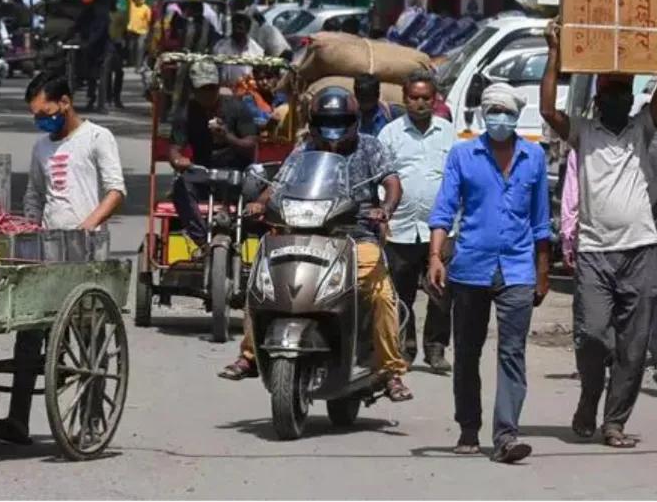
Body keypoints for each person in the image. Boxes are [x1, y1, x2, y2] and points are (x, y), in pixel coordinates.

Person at [539, 0, 657, 449]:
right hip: (596, 252)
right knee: (593, 337)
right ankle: (589, 396)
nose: (617, 99)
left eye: (623, 91)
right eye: (609, 91)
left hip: (640, 248)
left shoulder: (642, 129)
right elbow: (547, 110)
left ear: (629, 97)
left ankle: (615, 421)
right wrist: (554, 51)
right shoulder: (584, 131)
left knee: (633, 344)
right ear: (599, 97)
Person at [219, 87, 413, 402]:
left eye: (340, 121)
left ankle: (391, 370)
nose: (332, 129)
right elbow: (279, 183)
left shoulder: (371, 148)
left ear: (353, 121)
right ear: (313, 123)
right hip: (304, 230)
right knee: (261, 284)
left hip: (355, 234)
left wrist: (385, 208)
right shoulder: (303, 150)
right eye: (325, 122)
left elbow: (391, 182)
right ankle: (250, 355)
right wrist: (260, 202)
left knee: (379, 291)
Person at [0, 74, 127, 444]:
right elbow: (36, 194)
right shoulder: (40, 148)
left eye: (46, 112)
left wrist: (88, 225)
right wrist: (29, 227)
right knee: (29, 331)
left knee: (88, 340)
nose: (42, 121)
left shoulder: (97, 138)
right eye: (36, 116)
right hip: (47, 247)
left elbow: (116, 190)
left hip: (85, 249)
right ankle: (17, 420)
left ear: (65, 103)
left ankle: (91, 420)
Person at [427, 82, 550, 464]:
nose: (499, 118)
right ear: (483, 114)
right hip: (470, 268)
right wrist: (435, 256)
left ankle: (506, 436)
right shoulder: (463, 155)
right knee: (466, 350)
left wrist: (542, 272)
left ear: (516, 116)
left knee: (512, 352)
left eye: (506, 112)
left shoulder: (534, 157)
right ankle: (468, 425)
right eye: (493, 110)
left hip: (517, 269)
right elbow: (444, 210)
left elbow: (541, 221)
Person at [559, 130, 657, 398]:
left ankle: (610, 358)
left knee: (616, 305)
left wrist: (569, 236)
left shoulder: (610, 149)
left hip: (615, 240)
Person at [377, 70, 454, 372]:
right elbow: (379, 179)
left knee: (441, 290)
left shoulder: (448, 132)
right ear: (405, 99)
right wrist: (382, 214)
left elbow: (457, 177)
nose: (420, 103)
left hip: (440, 226)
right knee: (401, 293)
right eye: (414, 98)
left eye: (426, 98)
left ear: (434, 100)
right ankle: (404, 348)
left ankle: (435, 350)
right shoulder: (391, 134)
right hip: (401, 228)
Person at [169, 59, 258, 247]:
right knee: (180, 186)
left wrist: (227, 137)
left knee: (263, 195)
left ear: (219, 86)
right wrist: (178, 160)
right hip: (205, 173)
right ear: (194, 90)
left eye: (212, 88)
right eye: (202, 89)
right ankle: (201, 240)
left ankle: (242, 238)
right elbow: (175, 148)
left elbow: (251, 144)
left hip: (237, 174)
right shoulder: (186, 113)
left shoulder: (237, 107)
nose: (208, 94)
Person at [212, 13, 265, 86]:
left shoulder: (257, 51)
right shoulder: (220, 47)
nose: (239, 25)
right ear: (232, 25)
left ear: (248, 28)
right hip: (224, 92)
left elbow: (259, 76)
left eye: (242, 25)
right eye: (236, 22)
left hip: (248, 93)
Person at [106, 0, 128, 110]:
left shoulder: (121, 14)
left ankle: (116, 98)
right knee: (108, 73)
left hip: (117, 46)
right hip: (108, 45)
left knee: (118, 72)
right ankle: (108, 98)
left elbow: (125, 31)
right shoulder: (105, 14)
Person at [126, 0, 152, 70]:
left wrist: (148, 32)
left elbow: (149, 21)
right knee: (131, 48)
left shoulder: (146, 8)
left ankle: (138, 66)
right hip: (132, 31)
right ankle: (133, 63)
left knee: (140, 48)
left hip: (142, 32)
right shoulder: (132, 5)